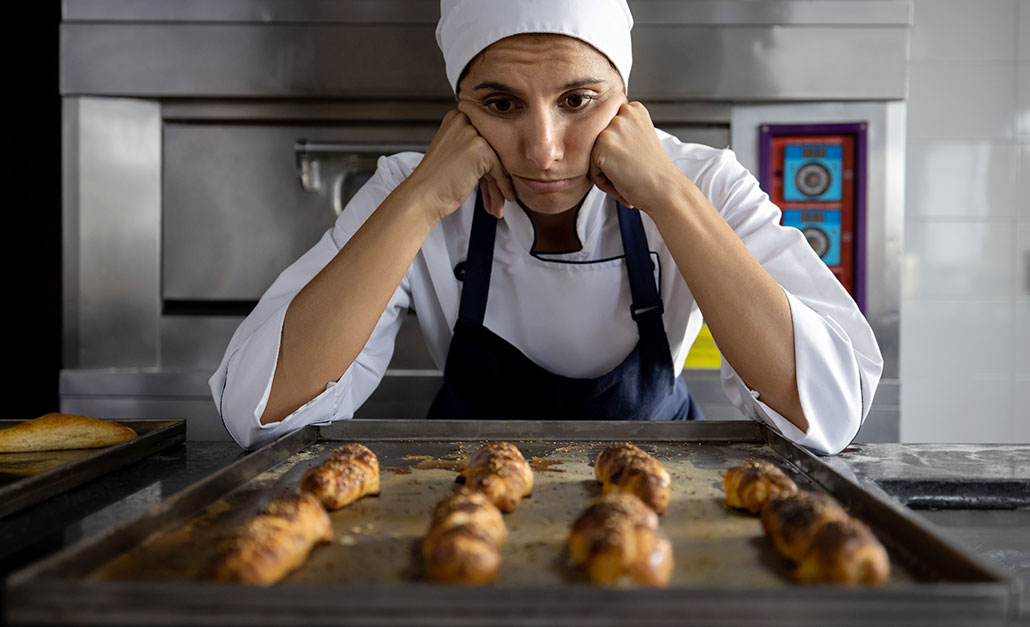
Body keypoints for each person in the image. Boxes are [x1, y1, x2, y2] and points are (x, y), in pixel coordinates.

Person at [210, 0, 882, 454]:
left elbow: (828, 411)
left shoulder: (701, 184)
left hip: (660, 533)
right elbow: (259, 412)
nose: (544, 149)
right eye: (500, 103)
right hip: (463, 521)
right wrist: (417, 203)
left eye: (578, 101)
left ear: (625, 97)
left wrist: (673, 200)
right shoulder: (411, 193)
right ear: (458, 108)